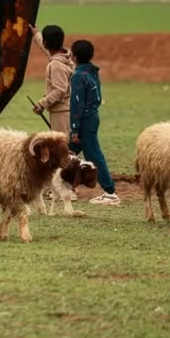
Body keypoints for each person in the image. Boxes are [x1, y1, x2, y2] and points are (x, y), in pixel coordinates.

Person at [69, 39, 120, 205]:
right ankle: (64, 186)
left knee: (94, 156)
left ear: (74, 57)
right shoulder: (92, 71)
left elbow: (77, 104)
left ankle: (110, 192)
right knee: (68, 151)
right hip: (92, 117)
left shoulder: (78, 76)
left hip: (84, 121)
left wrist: (75, 129)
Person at [31, 24, 75, 135]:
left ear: (46, 43)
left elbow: (59, 91)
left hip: (61, 113)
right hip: (68, 109)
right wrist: (36, 34)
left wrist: (42, 104)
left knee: (62, 143)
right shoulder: (65, 56)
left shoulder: (56, 64)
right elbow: (46, 48)